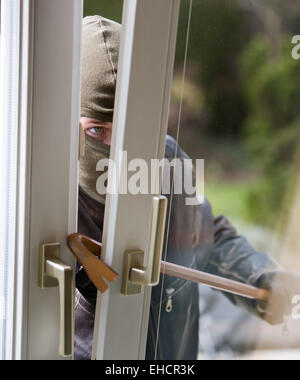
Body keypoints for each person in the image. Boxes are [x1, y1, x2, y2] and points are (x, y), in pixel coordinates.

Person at [75, 15, 300, 360]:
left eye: (124, 126)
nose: (115, 146)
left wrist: (261, 276)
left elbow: (208, 236)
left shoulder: (168, 160)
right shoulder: (45, 196)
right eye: (96, 131)